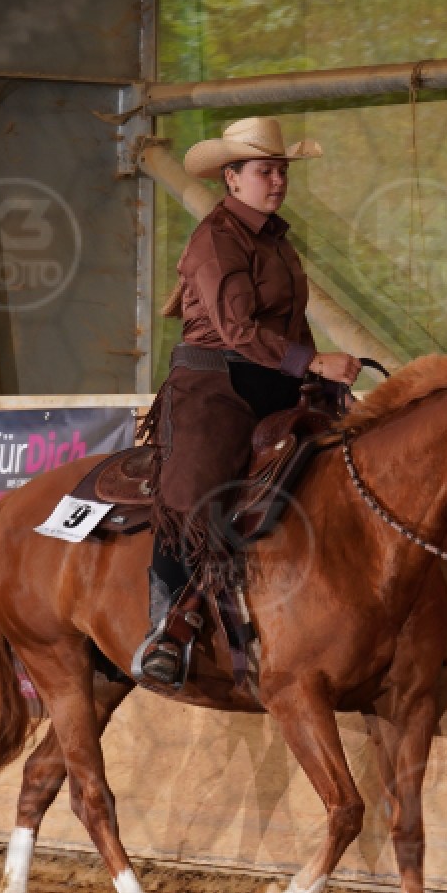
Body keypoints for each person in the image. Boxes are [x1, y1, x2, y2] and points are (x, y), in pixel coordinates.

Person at [133, 118, 362, 688]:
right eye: (266, 171)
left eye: (282, 171)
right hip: (215, 384)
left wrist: (316, 378)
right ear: (231, 178)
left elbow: (291, 322)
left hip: (276, 380)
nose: (277, 181)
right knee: (193, 495)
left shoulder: (276, 241)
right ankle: (166, 630)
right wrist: (314, 363)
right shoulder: (216, 239)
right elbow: (236, 330)